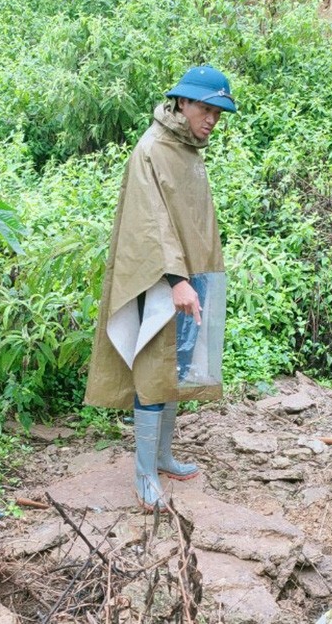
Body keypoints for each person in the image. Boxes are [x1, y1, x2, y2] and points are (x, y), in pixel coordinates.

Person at [84, 65, 236, 512]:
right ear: (181, 104)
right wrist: (177, 280)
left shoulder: (188, 148)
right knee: (153, 369)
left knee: (177, 368)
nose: (210, 120)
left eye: (217, 113)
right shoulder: (151, 148)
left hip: (193, 276)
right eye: (204, 109)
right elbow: (150, 223)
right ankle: (144, 473)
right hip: (159, 280)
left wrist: (198, 278)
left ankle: (164, 456)